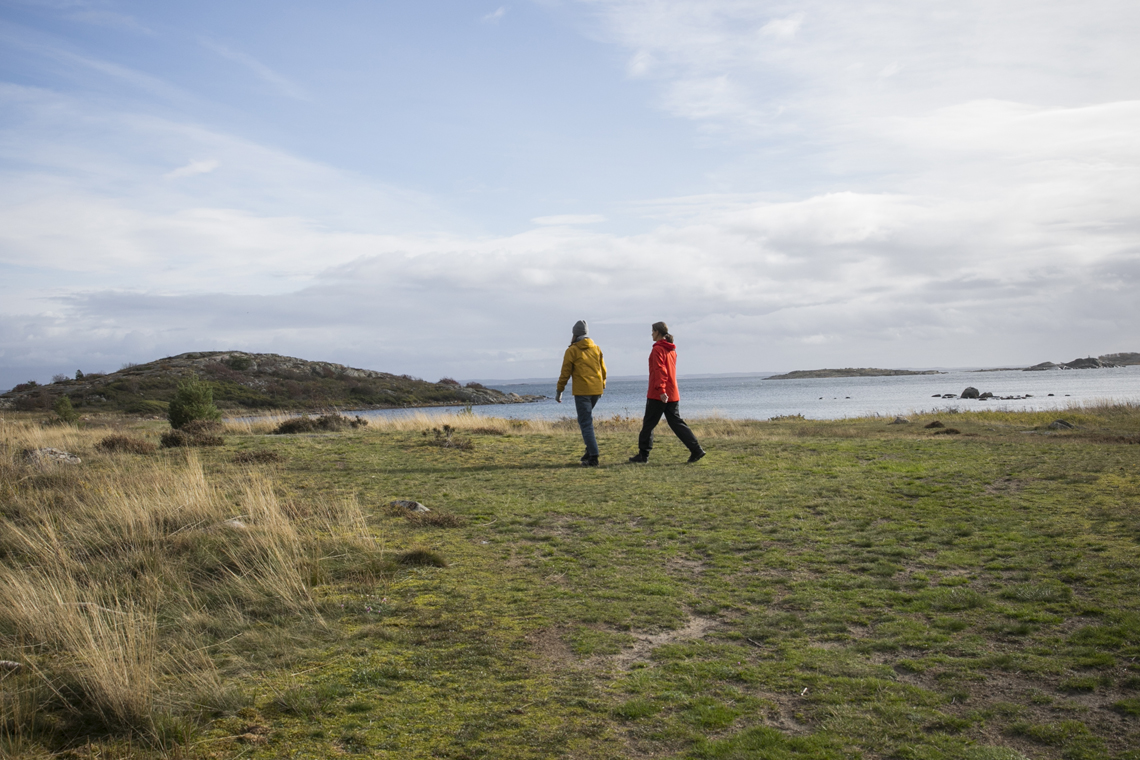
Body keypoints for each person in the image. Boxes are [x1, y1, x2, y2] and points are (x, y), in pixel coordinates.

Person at [628, 321, 705, 464]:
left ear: (657, 332)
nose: (651, 334)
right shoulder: (671, 350)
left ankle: (643, 455)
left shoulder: (658, 349)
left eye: (652, 331)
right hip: (672, 392)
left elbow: (660, 371)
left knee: (649, 424)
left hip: (659, 393)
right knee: (676, 423)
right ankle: (696, 450)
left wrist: (661, 390)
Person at [555, 319, 607, 467]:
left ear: (575, 334)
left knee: (585, 423)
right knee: (586, 421)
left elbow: (565, 373)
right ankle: (589, 451)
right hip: (596, 390)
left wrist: (559, 391)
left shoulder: (572, 350)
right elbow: (603, 370)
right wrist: (602, 386)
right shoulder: (596, 348)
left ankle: (593, 457)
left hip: (582, 391)